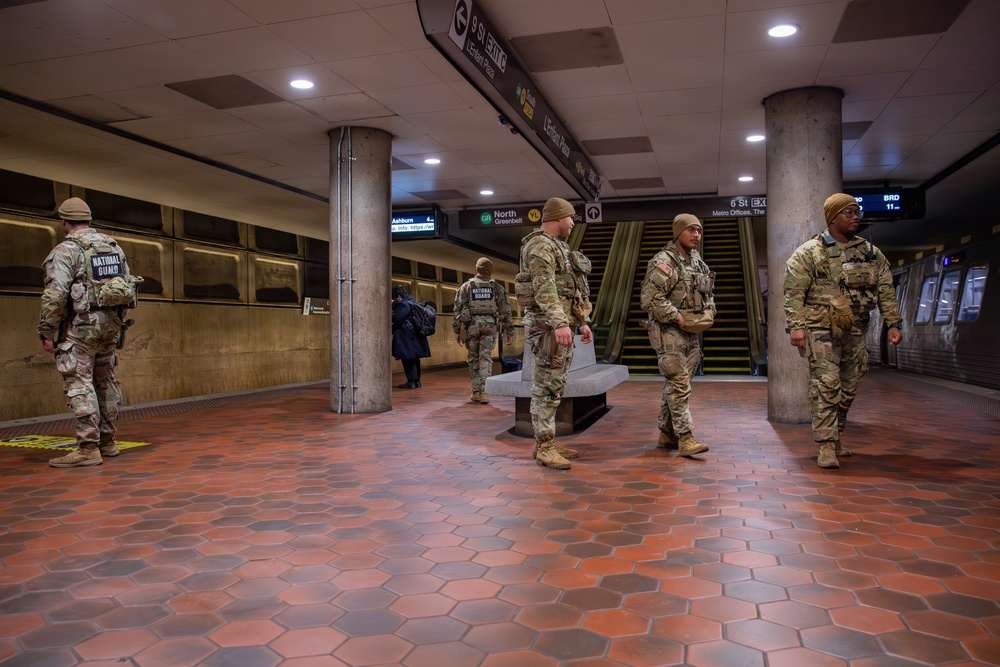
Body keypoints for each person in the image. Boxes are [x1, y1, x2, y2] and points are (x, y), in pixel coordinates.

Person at [784, 193, 903, 469]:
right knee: (827, 385)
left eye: (856, 212)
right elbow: (793, 293)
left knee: (848, 386)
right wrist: (797, 327)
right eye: (848, 212)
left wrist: (893, 323)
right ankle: (825, 445)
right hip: (820, 330)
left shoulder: (871, 253)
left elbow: (885, 289)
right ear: (832, 218)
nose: (855, 216)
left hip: (856, 330)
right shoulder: (809, 252)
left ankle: (836, 435)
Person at [39, 197, 141, 468]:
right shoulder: (113, 248)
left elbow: (55, 294)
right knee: (104, 381)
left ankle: (87, 448)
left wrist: (47, 331)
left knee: (79, 383)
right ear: (90, 221)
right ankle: (107, 442)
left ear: (63, 222)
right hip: (111, 324)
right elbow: (127, 286)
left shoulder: (66, 250)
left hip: (80, 326)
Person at [515, 197, 593, 470]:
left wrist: (581, 320)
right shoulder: (539, 245)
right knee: (548, 387)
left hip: (557, 324)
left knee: (552, 385)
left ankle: (543, 442)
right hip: (547, 327)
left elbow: (570, 289)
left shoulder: (559, 247)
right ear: (559, 217)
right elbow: (544, 287)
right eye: (571, 217)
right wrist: (560, 323)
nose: (573, 223)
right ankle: (545, 446)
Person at [640, 213, 715, 458]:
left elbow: (707, 292)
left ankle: (667, 433)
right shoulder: (665, 261)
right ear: (678, 232)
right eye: (691, 230)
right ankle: (685, 437)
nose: (696, 235)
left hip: (692, 333)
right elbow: (650, 299)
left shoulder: (696, 260)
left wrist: (709, 312)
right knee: (679, 383)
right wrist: (678, 317)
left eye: (699, 231)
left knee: (676, 384)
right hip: (670, 331)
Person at [453, 257, 514, 404]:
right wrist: (509, 331)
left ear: (477, 268)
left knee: (473, 358)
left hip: (471, 326)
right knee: (485, 357)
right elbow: (505, 310)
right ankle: (483, 391)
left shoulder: (466, 287)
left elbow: (457, 309)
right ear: (489, 270)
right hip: (489, 326)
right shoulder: (496, 287)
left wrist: (456, 330)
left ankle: (475, 391)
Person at [391, 284, 430, 389]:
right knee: (414, 359)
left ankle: (411, 382)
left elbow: (397, 319)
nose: (395, 300)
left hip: (406, 336)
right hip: (414, 336)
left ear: (399, 296)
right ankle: (417, 381)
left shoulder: (403, 304)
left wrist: (391, 314)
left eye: (395, 298)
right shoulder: (412, 302)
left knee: (408, 359)